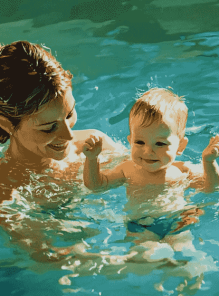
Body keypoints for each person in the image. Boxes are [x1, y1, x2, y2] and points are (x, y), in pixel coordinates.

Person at [0, 40, 126, 262]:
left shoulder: (94, 144)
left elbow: (150, 171)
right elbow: (48, 258)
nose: (69, 136)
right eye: (49, 128)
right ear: (7, 125)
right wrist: (127, 258)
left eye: (69, 114)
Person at [83, 88, 219, 242]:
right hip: (141, 224)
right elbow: (95, 185)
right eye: (139, 142)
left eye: (160, 144)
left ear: (180, 146)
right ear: (130, 141)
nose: (148, 151)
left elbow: (211, 187)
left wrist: (209, 162)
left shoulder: (182, 170)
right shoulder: (126, 170)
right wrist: (92, 159)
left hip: (178, 220)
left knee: (185, 258)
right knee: (143, 258)